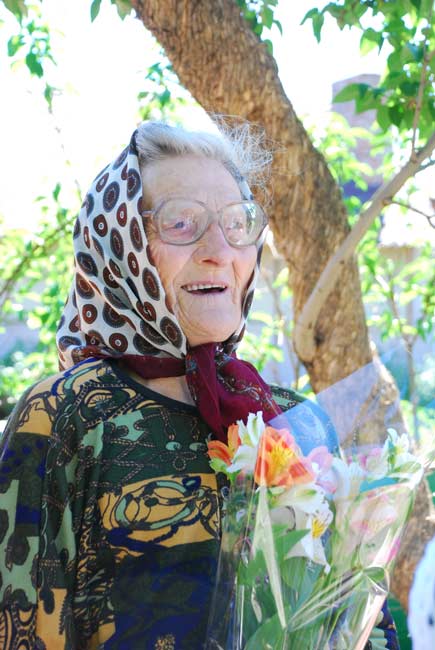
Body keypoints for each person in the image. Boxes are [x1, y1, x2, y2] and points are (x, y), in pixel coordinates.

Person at [0, 120, 398, 649]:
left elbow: (360, 618)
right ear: (120, 246)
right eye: (182, 223)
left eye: (236, 223)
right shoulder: (66, 415)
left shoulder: (293, 418)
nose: (219, 250)